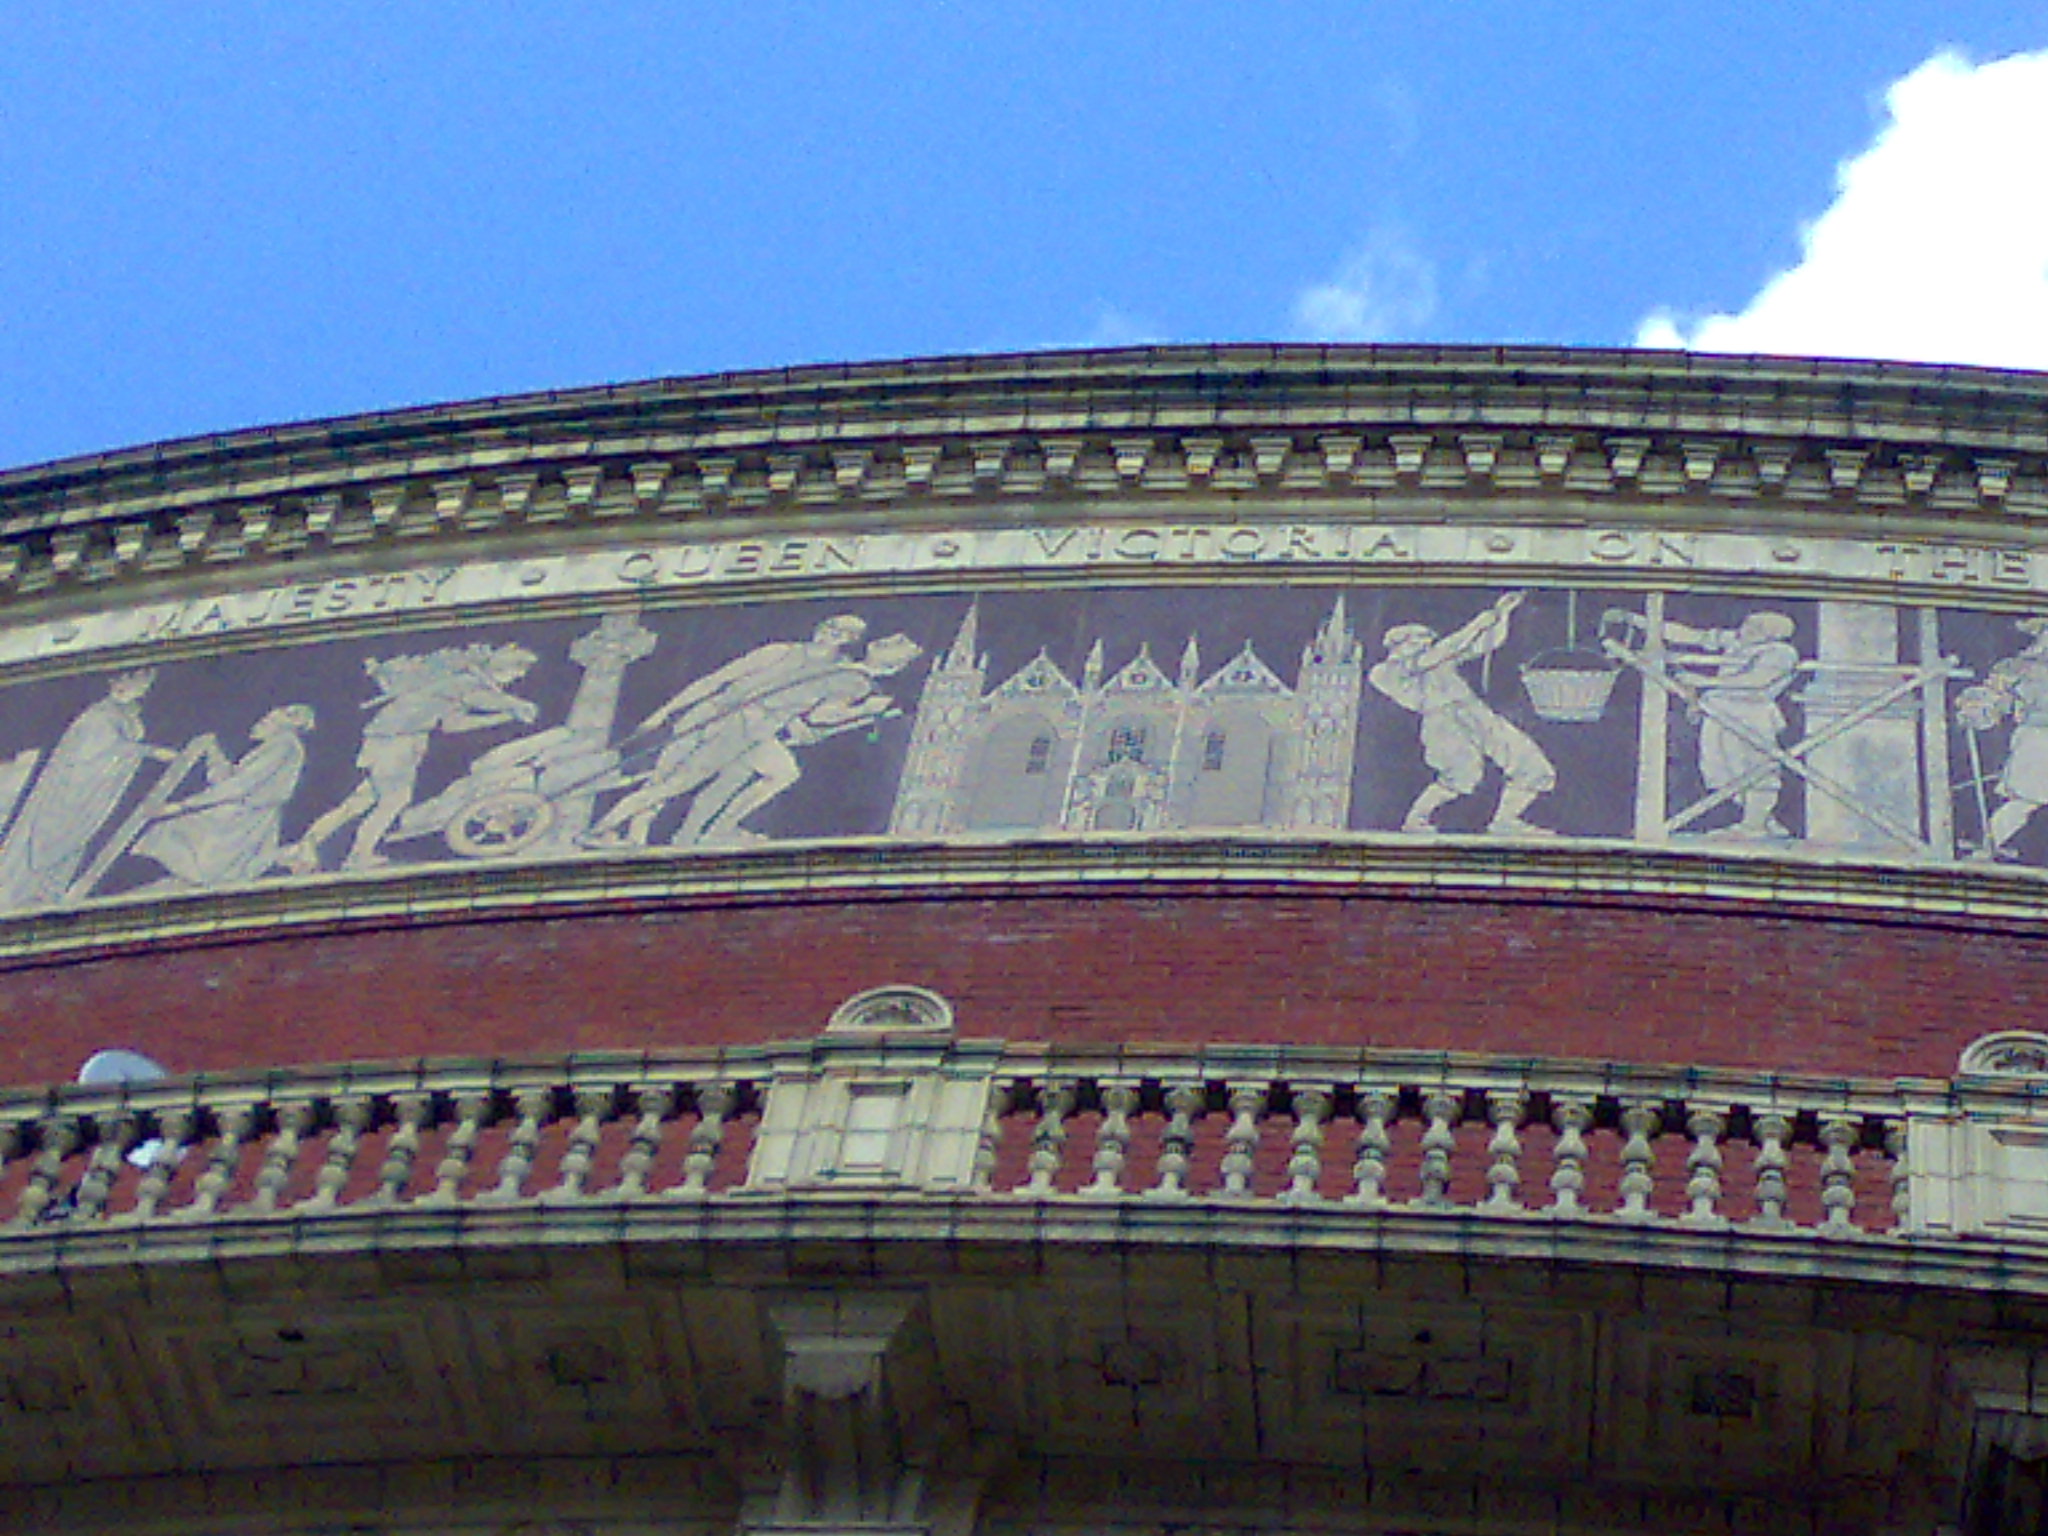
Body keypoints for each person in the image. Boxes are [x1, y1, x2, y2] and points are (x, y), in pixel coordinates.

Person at [588, 614, 868, 846]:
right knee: (670, 779)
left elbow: (811, 710)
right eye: (829, 627)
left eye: (841, 633)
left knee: (782, 773)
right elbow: (717, 680)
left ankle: (714, 829)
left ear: (849, 642)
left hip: (756, 731)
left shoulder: (838, 674)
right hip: (717, 716)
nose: (830, 634)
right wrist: (663, 714)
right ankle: (614, 832)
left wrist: (808, 724)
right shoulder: (780, 653)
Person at [290, 644, 539, 871]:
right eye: (519, 668)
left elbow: (452, 724)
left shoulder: (458, 683)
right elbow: (485, 700)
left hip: (394, 743)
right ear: (503, 664)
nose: (520, 676)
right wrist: (515, 705)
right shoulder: (467, 682)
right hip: (396, 743)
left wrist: (504, 718)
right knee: (394, 801)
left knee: (357, 804)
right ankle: (358, 856)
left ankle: (305, 845)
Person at [1369, 592, 1556, 835]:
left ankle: (1505, 820)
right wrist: (1477, 623)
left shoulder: (1440, 660)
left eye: (1427, 639)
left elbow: (1487, 642)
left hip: (1475, 712)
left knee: (1531, 764)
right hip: (1444, 721)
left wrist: (1502, 615)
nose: (1426, 643)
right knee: (1461, 776)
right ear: (1399, 643)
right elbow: (1443, 651)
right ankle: (1416, 819)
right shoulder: (1387, 671)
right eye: (1419, 639)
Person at [1617, 609, 1801, 838]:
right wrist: (1640, 622)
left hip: (1752, 715)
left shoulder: (1781, 653)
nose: (1748, 630)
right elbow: (1691, 636)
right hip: (1719, 713)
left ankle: (1754, 825)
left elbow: (1756, 682)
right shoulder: (1736, 641)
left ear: (1773, 635)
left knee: (1756, 767)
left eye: (1758, 628)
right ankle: (1761, 821)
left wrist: (1705, 681)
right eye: (1748, 623)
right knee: (1720, 769)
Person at [0, 670, 174, 908]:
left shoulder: (126, 715)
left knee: (74, 846)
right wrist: (148, 752)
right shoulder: (99, 716)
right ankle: (25, 895)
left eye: (134, 679)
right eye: (121, 677)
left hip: (92, 797)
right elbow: (96, 753)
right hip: (68, 796)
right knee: (52, 843)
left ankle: (46, 895)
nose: (123, 684)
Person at [130, 705, 317, 890]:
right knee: (181, 846)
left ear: (291, 722)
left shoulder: (285, 744)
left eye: (267, 720)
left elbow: (240, 785)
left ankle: (291, 854)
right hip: (239, 816)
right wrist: (214, 752)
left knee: (177, 837)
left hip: (241, 820)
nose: (261, 723)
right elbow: (230, 780)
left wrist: (182, 806)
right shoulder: (276, 746)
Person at [1959, 615, 2048, 858]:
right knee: (2026, 800)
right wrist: (1978, 706)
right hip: (2039, 741)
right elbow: (1995, 697)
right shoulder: (2023, 668)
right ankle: (1988, 847)